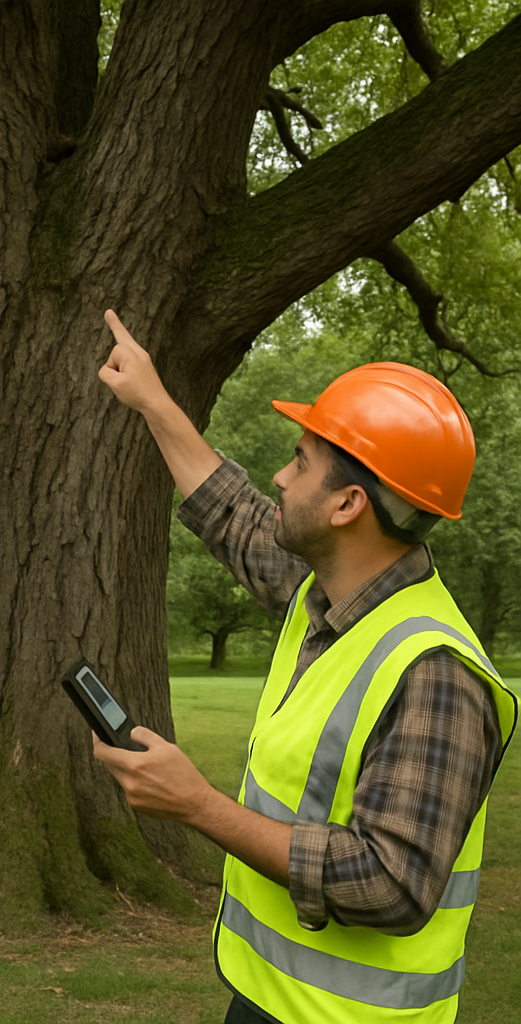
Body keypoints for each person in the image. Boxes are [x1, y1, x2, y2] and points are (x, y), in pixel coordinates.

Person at [93, 310, 517, 1024]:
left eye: (300, 461)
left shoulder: (435, 671)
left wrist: (199, 806)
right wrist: (155, 403)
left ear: (349, 503)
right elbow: (234, 515)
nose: (279, 477)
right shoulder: (321, 599)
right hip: (268, 998)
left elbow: (391, 883)